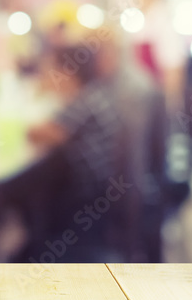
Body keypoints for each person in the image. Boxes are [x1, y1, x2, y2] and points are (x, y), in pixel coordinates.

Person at [27, 41, 125, 262]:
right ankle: (30, 249)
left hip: (86, 194)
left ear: (67, 71)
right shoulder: (93, 93)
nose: (46, 73)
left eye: (51, 68)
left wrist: (38, 95)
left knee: (26, 188)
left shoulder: (85, 99)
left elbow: (44, 133)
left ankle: (34, 253)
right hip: (97, 189)